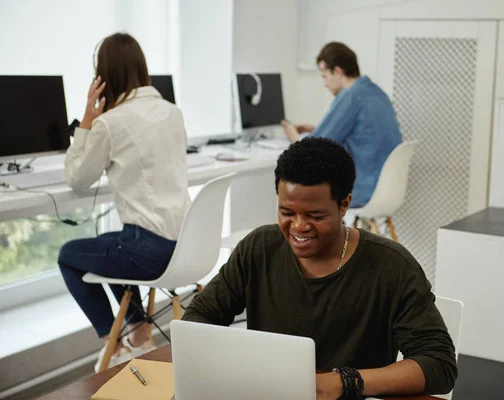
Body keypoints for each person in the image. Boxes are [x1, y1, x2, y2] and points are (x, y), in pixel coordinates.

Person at [182, 137, 457, 399]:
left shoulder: (391, 266)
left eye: (315, 216)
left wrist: (345, 382)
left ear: (344, 205)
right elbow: (199, 319)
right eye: (287, 213)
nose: (299, 227)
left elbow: (439, 364)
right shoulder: (259, 247)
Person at [58, 33, 190, 371]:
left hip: (148, 254)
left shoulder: (110, 123)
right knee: (111, 245)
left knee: (68, 256)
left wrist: (87, 119)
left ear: (103, 78)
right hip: (184, 246)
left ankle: (113, 347)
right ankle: (141, 335)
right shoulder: (172, 112)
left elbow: (77, 177)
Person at [281, 42, 402, 208]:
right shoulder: (377, 93)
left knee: (294, 187)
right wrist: (315, 130)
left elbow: (313, 149)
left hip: (362, 190)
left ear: (337, 71)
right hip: (387, 190)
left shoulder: (351, 96)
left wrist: (293, 134)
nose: (324, 84)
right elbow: (361, 135)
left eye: (324, 76)